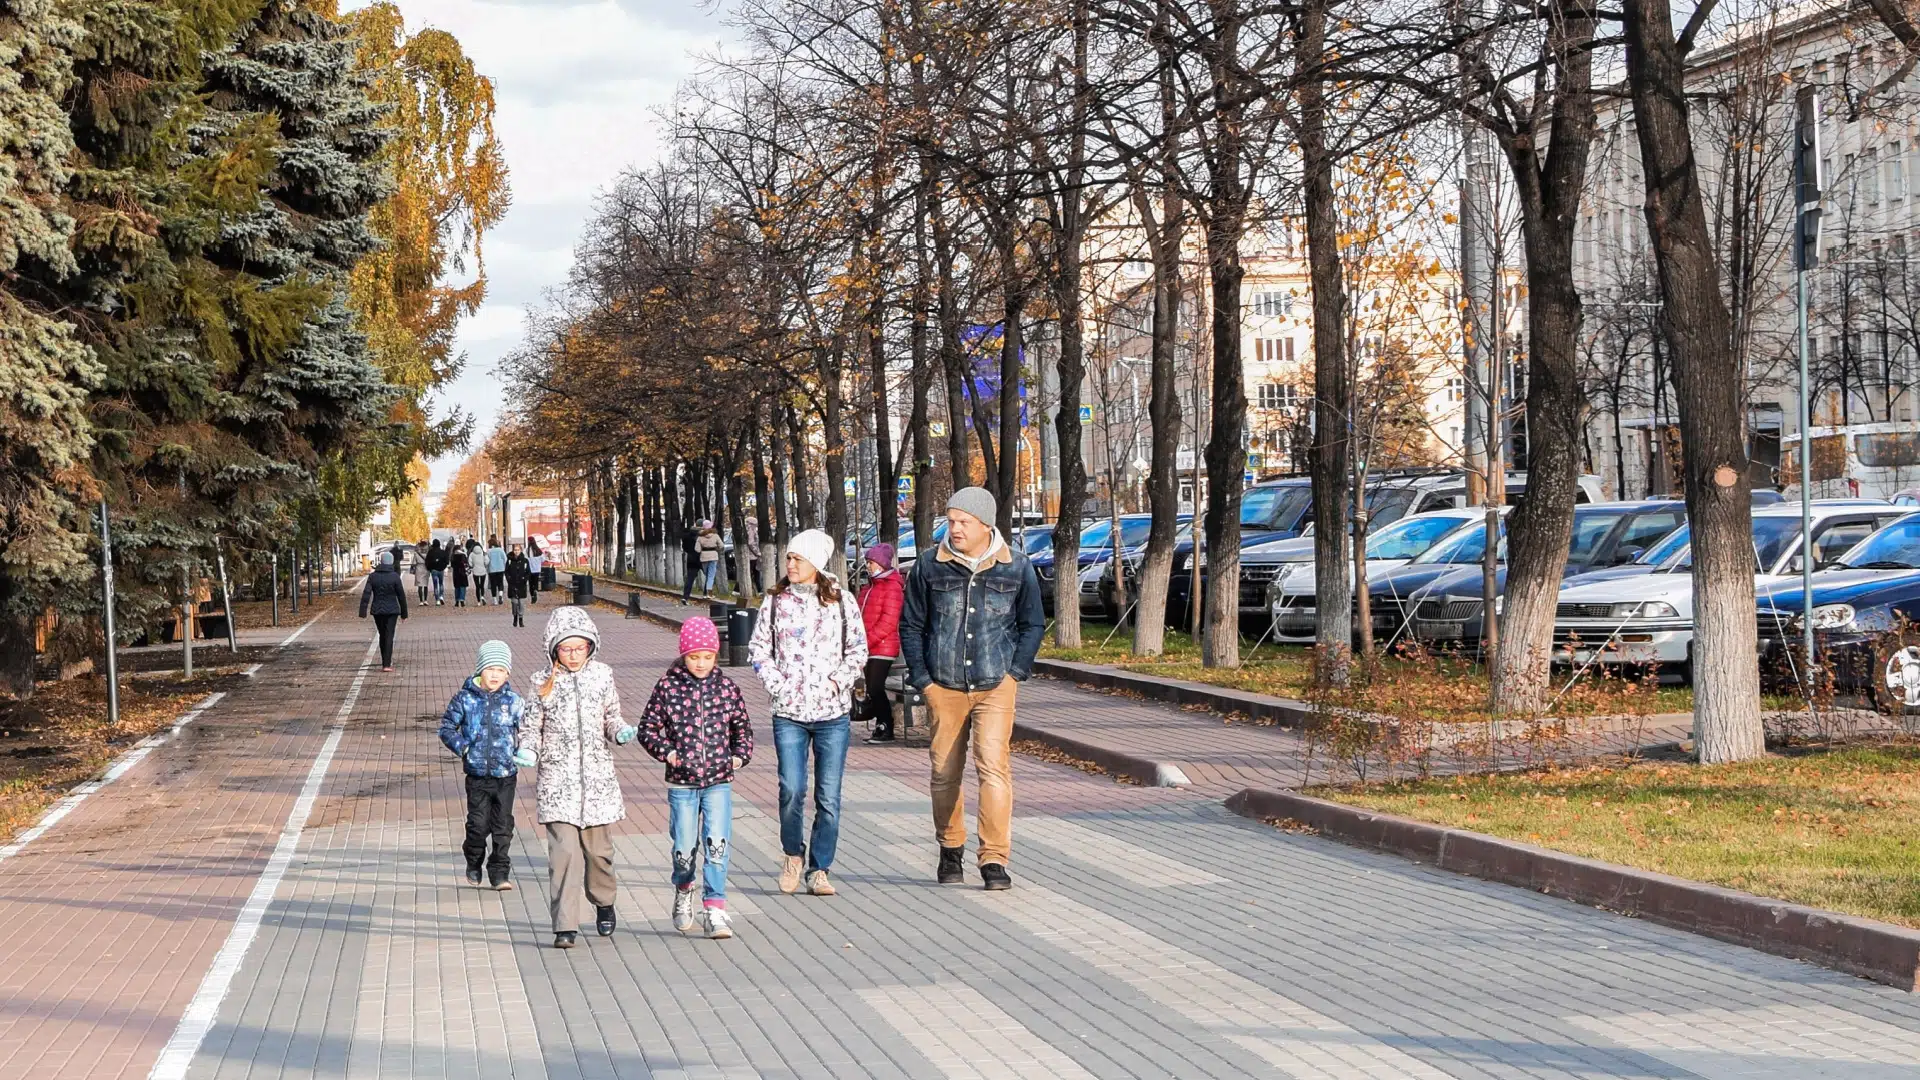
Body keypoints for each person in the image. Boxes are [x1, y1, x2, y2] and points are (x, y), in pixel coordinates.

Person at [898, 487, 1043, 892]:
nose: (954, 528)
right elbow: (911, 626)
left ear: (985, 525)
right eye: (951, 520)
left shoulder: (1016, 567)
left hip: (996, 682)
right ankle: (950, 847)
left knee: (993, 768)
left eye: (963, 521)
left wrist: (1015, 673)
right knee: (944, 772)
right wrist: (923, 680)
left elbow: (1032, 624)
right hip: (942, 684)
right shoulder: (930, 565)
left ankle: (994, 858)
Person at [746, 529, 868, 897]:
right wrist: (778, 684)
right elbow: (758, 650)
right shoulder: (775, 602)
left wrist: (837, 682)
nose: (790, 564)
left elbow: (858, 650)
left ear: (815, 562)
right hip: (789, 713)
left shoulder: (842, 601)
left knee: (828, 796)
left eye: (797, 559)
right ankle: (792, 855)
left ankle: (820, 868)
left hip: (832, 714)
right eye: (789, 558)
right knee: (792, 788)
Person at [516, 606, 634, 949]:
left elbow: (611, 715)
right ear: (554, 649)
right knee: (564, 855)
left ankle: (604, 901)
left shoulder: (602, 675)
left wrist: (620, 731)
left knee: (599, 854)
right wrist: (528, 750)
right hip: (557, 784)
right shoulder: (541, 681)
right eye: (566, 648)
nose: (572, 654)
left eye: (579, 648)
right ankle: (564, 924)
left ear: (590, 646)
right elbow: (531, 727)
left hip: (596, 782)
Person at [637, 617, 753, 940]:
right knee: (685, 845)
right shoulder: (668, 686)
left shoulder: (727, 688)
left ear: (716, 655)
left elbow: (742, 728)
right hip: (682, 782)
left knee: (717, 844)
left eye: (707, 656)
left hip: (718, 780)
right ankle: (684, 886)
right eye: (694, 656)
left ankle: (715, 907)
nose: (700, 663)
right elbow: (646, 728)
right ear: (683, 655)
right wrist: (667, 752)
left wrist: (740, 754)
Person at [439, 640, 524, 890]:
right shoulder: (465, 699)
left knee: (503, 826)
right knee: (478, 825)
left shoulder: (514, 701)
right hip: (477, 776)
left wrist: (523, 751)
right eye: (490, 669)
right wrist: (463, 746)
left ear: (507, 673)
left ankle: (499, 872)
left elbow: (528, 729)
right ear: (480, 671)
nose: (495, 675)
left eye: (500, 670)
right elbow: (446, 727)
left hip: (506, 775)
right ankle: (474, 859)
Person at [856, 543, 905, 743]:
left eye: (872, 562)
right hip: (868, 646)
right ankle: (880, 726)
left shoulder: (892, 587)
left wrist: (866, 641)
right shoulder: (868, 587)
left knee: (876, 687)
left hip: (883, 646)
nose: (869, 566)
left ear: (882, 564)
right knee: (871, 688)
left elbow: (888, 621)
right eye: (867, 562)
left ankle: (886, 727)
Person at [358, 550, 410, 672]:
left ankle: (385, 661)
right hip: (392, 610)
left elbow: (366, 593)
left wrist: (363, 611)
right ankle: (386, 664)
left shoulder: (373, 576)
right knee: (389, 635)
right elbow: (401, 595)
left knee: (382, 635)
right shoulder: (395, 577)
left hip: (377, 610)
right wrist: (404, 613)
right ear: (391, 562)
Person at [695, 520, 723, 598]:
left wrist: (702, 549)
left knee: (707, 574)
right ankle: (709, 593)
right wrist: (716, 548)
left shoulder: (700, 537)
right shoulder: (715, 535)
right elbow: (721, 545)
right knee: (711, 575)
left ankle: (706, 593)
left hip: (704, 557)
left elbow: (697, 549)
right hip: (714, 556)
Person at [505, 543, 531, 627]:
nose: (516, 552)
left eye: (518, 550)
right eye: (515, 550)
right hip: (512, 584)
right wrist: (509, 579)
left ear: (521, 550)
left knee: (521, 602)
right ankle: (515, 616)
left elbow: (528, 572)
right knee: (514, 602)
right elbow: (506, 571)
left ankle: (521, 618)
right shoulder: (509, 560)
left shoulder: (525, 561)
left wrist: (525, 579)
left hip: (521, 584)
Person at [679, 520, 701, 604]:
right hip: (702, 558)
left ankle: (685, 597)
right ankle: (707, 593)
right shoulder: (702, 535)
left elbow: (684, 547)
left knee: (690, 579)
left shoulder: (687, 535)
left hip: (691, 558)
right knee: (710, 576)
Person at [486, 535, 508, 606]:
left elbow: (486, 561)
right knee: (500, 583)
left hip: (492, 570)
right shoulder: (500, 550)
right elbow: (505, 559)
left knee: (493, 585)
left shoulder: (488, 551)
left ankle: (495, 600)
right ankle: (500, 595)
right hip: (501, 569)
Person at [426, 538, 449, 605]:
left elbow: (427, 562)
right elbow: (447, 561)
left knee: (435, 585)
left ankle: (437, 600)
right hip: (441, 570)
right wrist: (443, 567)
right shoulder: (443, 552)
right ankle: (441, 596)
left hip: (433, 570)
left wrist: (429, 569)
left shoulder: (430, 552)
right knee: (441, 583)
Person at [450, 542, 471, 607]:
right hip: (462, 572)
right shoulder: (463, 555)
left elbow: (452, 565)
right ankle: (462, 600)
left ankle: (457, 600)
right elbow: (466, 564)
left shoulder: (453, 556)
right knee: (462, 586)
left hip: (456, 573)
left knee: (457, 587)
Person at [526, 538, 544, 605]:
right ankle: (535, 590)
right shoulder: (538, 550)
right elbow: (543, 559)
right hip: (537, 569)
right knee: (535, 582)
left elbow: (525, 559)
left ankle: (532, 596)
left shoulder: (527, 550)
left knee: (531, 583)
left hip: (530, 569)